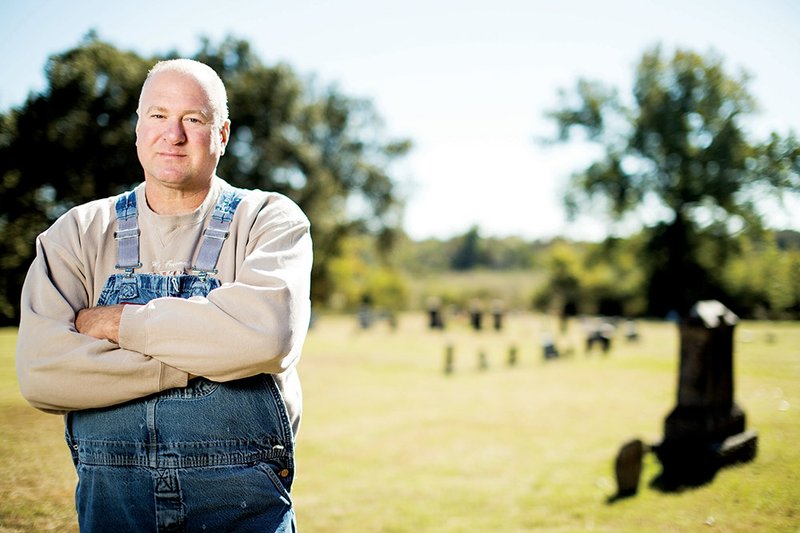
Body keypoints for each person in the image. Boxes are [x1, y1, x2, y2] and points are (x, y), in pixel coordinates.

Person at [15, 58, 312, 531]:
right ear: (137, 128)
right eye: (157, 116)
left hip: (243, 514)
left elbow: (267, 337)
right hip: (113, 514)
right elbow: (40, 373)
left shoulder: (268, 220)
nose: (172, 134)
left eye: (193, 120)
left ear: (223, 134)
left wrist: (116, 325)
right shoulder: (78, 232)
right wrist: (210, 355)